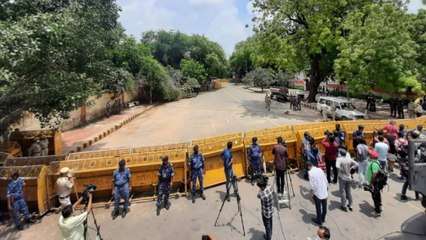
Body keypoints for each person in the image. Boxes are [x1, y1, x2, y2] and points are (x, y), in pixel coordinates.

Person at [307, 161, 328, 226]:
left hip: (317, 193)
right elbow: (325, 179)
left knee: (318, 207)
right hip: (324, 190)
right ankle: (323, 218)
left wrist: (311, 194)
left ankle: (319, 220)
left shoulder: (310, 173)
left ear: (308, 167)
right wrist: (327, 187)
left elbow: (312, 185)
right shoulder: (320, 169)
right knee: (324, 206)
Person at [366, 150, 382, 217]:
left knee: (375, 196)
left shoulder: (374, 164)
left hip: (374, 183)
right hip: (375, 182)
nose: (369, 155)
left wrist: (370, 184)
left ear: (372, 156)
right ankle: (379, 206)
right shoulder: (374, 162)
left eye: (370, 155)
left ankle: (377, 211)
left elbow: (374, 175)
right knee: (377, 195)